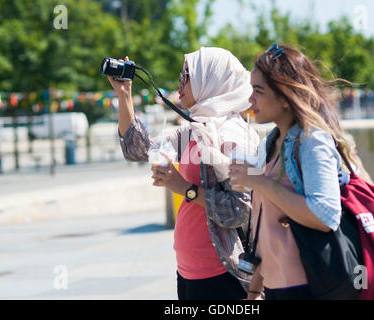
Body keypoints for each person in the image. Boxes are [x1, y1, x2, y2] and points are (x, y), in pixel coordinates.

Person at [108, 47, 260, 300]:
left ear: (209, 79)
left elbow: (242, 211)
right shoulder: (195, 130)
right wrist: (125, 94)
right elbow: (139, 150)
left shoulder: (236, 137)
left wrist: (185, 189)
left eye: (187, 75)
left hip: (222, 271)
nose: (180, 83)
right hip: (189, 270)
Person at [228, 43, 356, 300]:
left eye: (258, 90)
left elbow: (326, 215)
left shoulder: (311, 141)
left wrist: (260, 182)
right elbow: (268, 229)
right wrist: (255, 290)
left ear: (285, 98)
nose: (250, 99)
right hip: (277, 287)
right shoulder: (271, 143)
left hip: (306, 286)